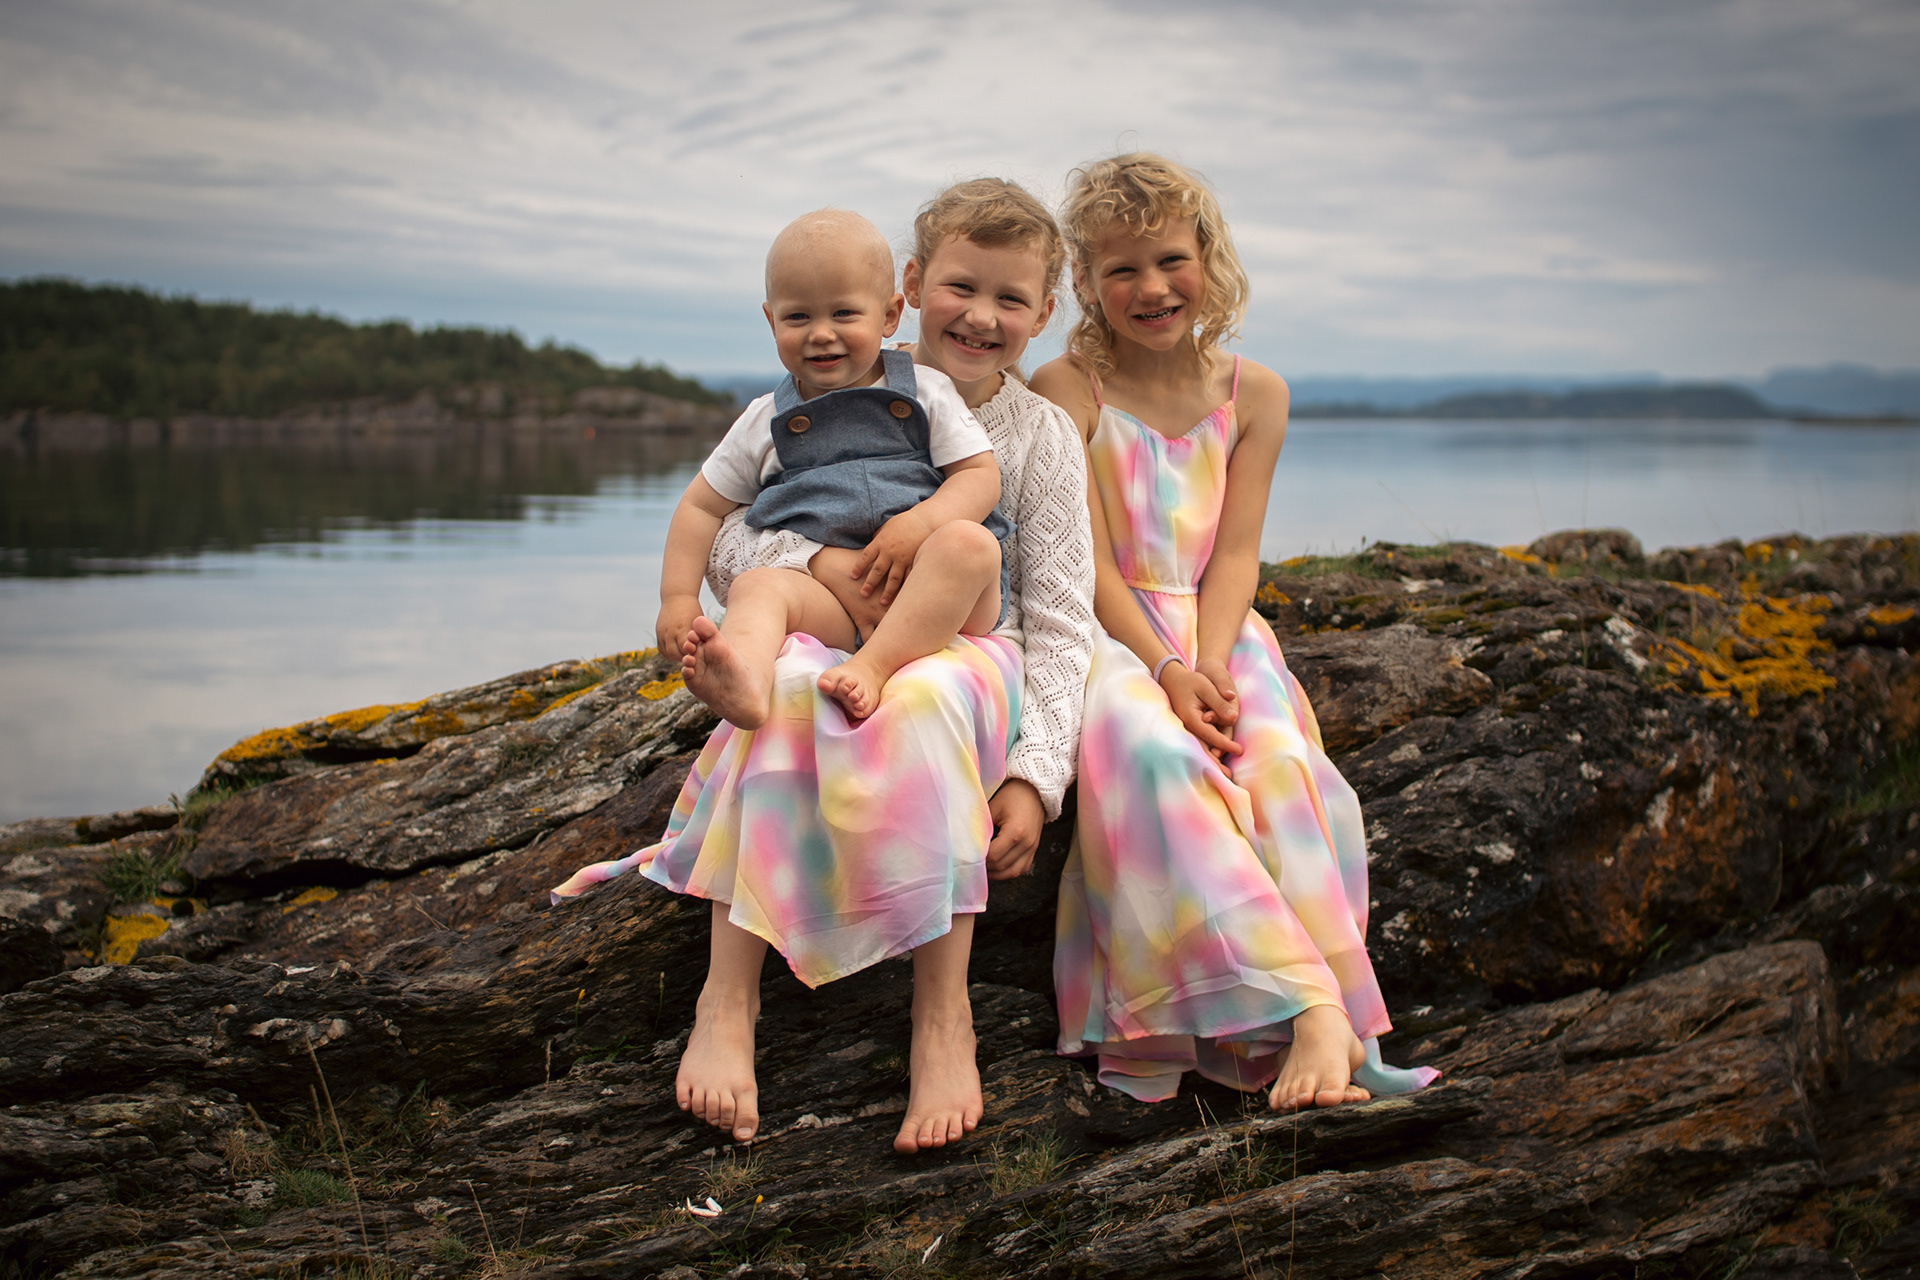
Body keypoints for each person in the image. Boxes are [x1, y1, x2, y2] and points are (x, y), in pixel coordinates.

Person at [553, 179, 1095, 1153]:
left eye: (1009, 299)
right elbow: (728, 539)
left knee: (925, 692)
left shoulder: (1036, 433)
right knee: (788, 697)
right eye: (961, 288)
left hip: (969, 640)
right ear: (912, 290)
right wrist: (817, 563)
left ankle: (942, 1013)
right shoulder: (812, 394)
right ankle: (728, 999)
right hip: (832, 620)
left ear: (1043, 313)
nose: (981, 316)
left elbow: (1060, 622)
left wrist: (1036, 773)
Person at [1032, 153, 1439, 1111]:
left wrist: (1211, 662)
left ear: (1209, 259)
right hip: (1115, 636)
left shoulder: (1256, 394)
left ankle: (1330, 1022)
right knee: (1157, 758)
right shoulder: (1068, 388)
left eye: (1171, 260)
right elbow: (1087, 567)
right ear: (1085, 281)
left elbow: (1235, 553)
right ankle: (1315, 1009)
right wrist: (1169, 670)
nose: (1151, 287)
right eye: (1121, 269)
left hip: (1222, 631)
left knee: (1285, 773)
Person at [659, 208, 1013, 727]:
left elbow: (980, 475)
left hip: (941, 597)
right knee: (757, 587)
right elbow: (700, 506)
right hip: (836, 604)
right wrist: (677, 597)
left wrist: (921, 523)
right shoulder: (765, 420)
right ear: (771, 321)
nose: (821, 334)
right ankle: (746, 680)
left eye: (844, 314)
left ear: (889, 316)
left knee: (969, 543)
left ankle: (874, 667)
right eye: (798, 318)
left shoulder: (925, 390)